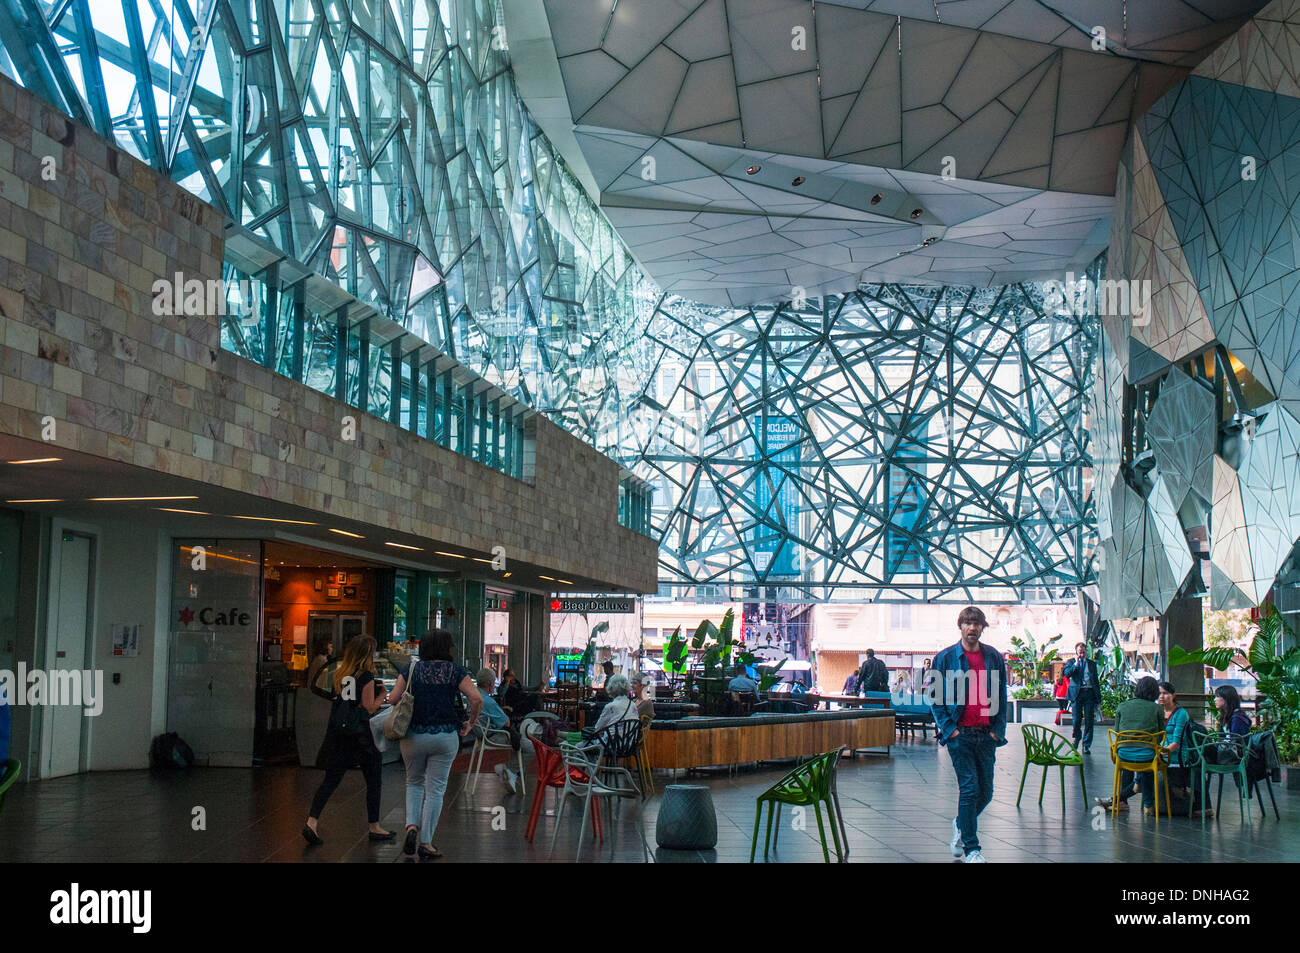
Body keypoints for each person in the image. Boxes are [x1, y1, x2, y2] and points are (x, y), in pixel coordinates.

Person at [384, 629, 481, 860]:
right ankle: (426, 842)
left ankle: (410, 828)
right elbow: (476, 698)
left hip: (413, 735)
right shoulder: (454, 671)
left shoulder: (412, 669)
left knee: (414, 783)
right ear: (447, 648)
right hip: (445, 735)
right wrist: (470, 722)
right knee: (436, 789)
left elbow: (394, 699)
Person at [930, 606, 1008, 864]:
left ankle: (961, 824)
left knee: (986, 792)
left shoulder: (993, 657)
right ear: (960, 626)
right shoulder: (945, 658)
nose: (972, 627)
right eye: (968, 623)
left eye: (977, 623)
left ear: (982, 627)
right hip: (959, 735)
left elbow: (1001, 696)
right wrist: (949, 728)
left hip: (986, 735)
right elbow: (935, 697)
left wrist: (998, 731)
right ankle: (972, 849)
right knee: (970, 788)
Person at [303, 635, 393, 846]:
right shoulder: (367, 676)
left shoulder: (342, 675)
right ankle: (374, 826)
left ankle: (312, 821)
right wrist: (383, 695)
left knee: (331, 780)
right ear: (367, 654)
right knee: (373, 781)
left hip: (340, 735)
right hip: (361, 737)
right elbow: (369, 707)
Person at [1096, 676, 1164, 816]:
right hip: (1147, 754)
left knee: (1128, 761)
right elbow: (1161, 735)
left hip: (1123, 753)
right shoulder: (1157, 708)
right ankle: (1148, 805)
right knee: (1147, 765)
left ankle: (1121, 802)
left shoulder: (1122, 706)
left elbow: (1118, 732)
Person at [1158, 681, 1210, 819]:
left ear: (1173, 695)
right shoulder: (1157, 711)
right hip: (1163, 753)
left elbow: (1177, 742)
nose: (1162, 696)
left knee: (1145, 769)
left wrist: (1161, 752)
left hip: (1177, 755)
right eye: (1159, 693)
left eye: (1165, 693)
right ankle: (1120, 799)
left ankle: (1119, 799)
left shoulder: (1181, 713)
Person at [1061, 642, 1101, 753]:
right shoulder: (1071, 662)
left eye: (1083, 652)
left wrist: (1098, 698)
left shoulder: (1092, 664)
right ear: (1076, 653)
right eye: (1080, 653)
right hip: (1077, 694)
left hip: (1089, 693)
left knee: (1089, 720)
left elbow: (1096, 682)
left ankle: (1086, 745)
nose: (1082, 655)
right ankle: (1077, 737)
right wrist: (1076, 664)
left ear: (1086, 652)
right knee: (1076, 719)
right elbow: (1067, 675)